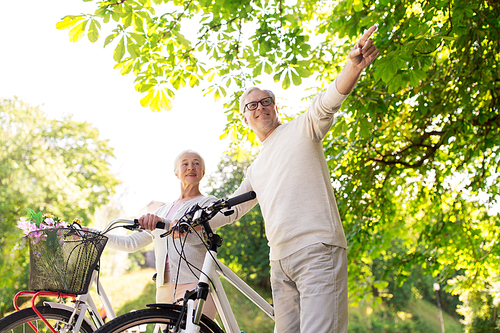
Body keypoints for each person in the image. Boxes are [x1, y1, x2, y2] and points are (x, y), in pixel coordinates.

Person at [206, 25, 380, 333]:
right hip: (279, 263)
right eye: (252, 105)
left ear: (275, 106)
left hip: (317, 250)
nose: (260, 107)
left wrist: (352, 67)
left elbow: (328, 101)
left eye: (266, 101)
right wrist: (190, 221)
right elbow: (231, 208)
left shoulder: (302, 129)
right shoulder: (255, 168)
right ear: (244, 119)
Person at [94, 150, 236, 319]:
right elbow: (131, 243)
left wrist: (162, 221)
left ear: (203, 172)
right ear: (176, 172)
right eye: (185, 163)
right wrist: (95, 234)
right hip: (164, 287)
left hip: (196, 283)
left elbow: (195, 236)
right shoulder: (163, 210)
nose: (191, 167)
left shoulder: (207, 204)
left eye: (196, 163)